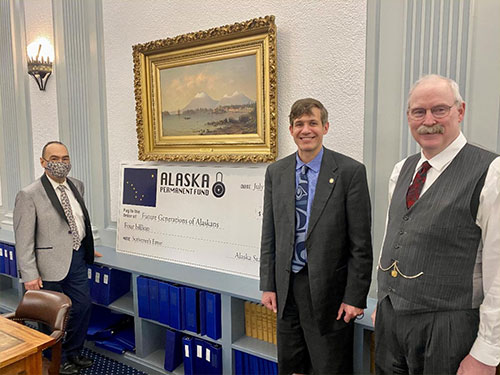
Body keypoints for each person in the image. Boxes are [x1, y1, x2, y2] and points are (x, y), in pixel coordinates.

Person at [374, 74, 500, 374]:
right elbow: (394, 235)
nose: (428, 120)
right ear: (408, 117)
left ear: (460, 111)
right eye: (419, 111)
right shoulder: (401, 170)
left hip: (448, 327)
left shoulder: (491, 171)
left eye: (439, 109)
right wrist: (384, 300)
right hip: (392, 320)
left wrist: (486, 351)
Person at [259, 98, 373, 374]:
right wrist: (268, 284)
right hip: (288, 288)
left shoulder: (349, 172)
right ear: (291, 130)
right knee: (291, 363)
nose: (306, 130)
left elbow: (361, 244)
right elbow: (269, 233)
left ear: (325, 127)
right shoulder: (277, 172)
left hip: (329, 293)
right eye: (299, 124)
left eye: (313, 123)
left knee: (328, 366)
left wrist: (355, 297)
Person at [14, 141, 96, 375]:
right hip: (46, 266)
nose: (61, 163)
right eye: (55, 159)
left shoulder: (77, 185)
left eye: (65, 158)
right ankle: (53, 359)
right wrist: (29, 274)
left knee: (82, 307)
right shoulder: (29, 194)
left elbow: (78, 221)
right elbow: (24, 238)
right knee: (51, 317)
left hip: (76, 259)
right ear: (43, 162)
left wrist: (85, 244)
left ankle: (73, 353)